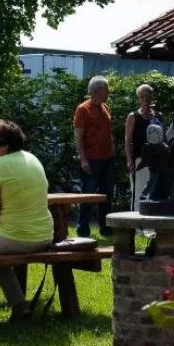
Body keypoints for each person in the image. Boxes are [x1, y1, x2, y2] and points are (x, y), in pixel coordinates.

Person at [0, 119, 53, 321]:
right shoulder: (31, 158)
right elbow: (18, 190)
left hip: (16, 238)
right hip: (44, 236)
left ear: (4, 145)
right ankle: (20, 305)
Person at [73, 76, 115, 237]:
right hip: (91, 159)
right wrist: (83, 159)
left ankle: (105, 227)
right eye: (106, 89)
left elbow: (108, 132)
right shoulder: (83, 109)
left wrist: (112, 151)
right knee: (88, 195)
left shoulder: (106, 107)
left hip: (108, 159)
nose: (108, 92)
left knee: (106, 195)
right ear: (97, 91)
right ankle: (82, 229)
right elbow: (78, 136)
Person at [124, 84, 163, 209]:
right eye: (142, 96)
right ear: (138, 98)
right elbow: (127, 140)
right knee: (139, 192)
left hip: (156, 161)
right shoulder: (133, 116)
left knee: (154, 192)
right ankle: (137, 218)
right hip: (140, 160)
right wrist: (129, 160)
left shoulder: (158, 116)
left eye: (148, 96)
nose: (146, 99)